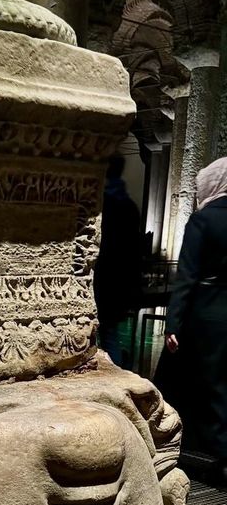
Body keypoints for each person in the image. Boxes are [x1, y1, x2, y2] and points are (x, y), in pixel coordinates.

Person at [159, 157, 227, 474]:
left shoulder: (203, 220)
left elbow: (186, 276)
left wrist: (174, 324)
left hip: (205, 315)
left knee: (196, 383)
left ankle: (190, 450)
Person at [94, 156, 143, 366]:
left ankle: (109, 373)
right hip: (120, 280)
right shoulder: (130, 207)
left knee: (104, 332)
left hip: (102, 277)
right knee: (110, 332)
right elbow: (133, 249)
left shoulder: (102, 203)